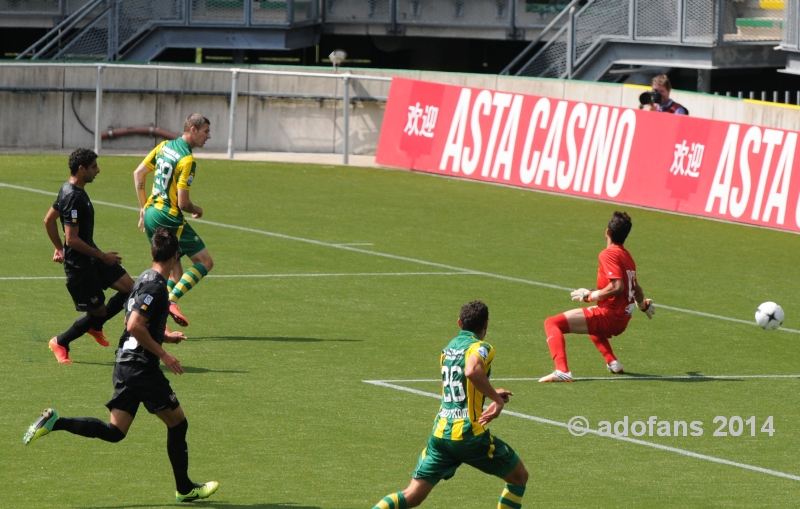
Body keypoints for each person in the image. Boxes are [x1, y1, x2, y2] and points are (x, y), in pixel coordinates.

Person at [23, 227, 219, 503]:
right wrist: (163, 354)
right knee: (178, 424)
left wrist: (165, 336)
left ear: (153, 253)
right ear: (176, 256)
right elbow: (135, 325)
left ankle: (56, 422)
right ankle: (184, 488)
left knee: (115, 432)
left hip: (125, 362)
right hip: (141, 367)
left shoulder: (143, 279)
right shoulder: (156, 286)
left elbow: (139, 323)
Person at [371, 301, 528, 509]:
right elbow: (472, 371)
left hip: (440, 436)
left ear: (460, 322)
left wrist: (488, 392)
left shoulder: (448, 349)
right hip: (467, 435)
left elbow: (458, 390)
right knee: (518, 477)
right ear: (486, 325)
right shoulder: (481, 347)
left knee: (411, 496)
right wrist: (497, 400)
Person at [538, 211, 655, 383]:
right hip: (622, 318)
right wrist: (642, 305)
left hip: (610, 316)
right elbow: (635, 288)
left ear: (607, 232)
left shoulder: (608, 254)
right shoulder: (628, 257)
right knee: (591, 322)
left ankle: (562, 370)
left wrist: (590, 295)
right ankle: (613, 362)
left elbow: (617, 286)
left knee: (552, 323)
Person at [43, 148, 135, 364]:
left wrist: (59, 249)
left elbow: (48, 220)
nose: (98, 170)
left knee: (131, 288)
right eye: (94, 166)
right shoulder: (73, 197)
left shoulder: (68, 189)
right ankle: (60, 341)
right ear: (81, 169)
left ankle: (95, 325)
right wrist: (100, 256)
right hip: (81, 266)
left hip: (92, 258)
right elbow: (72, 239)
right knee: (99, 311)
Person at [133, 113, 214, 328]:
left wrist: (143, 207)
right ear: (193, 130)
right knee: (205, 262)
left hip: (151, 213)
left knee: (173, 272)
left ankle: (156, 319)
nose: (209, 136)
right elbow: (183, 203)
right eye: (206, 131)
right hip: (168, 217)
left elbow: (139, 174)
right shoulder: (187, 160)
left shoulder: (164, 146)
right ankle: (170, 301)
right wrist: (198, 210)